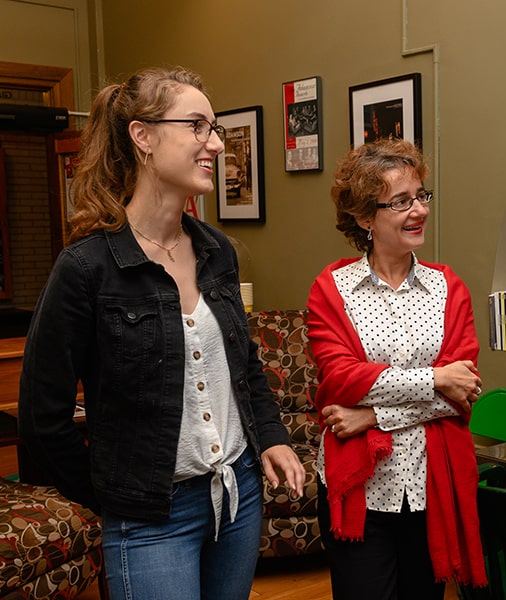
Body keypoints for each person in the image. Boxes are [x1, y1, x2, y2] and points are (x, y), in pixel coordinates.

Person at [17, 66, 306, 600]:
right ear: (143, 136)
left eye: (214, 129)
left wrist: (272, 439)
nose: (215, 144)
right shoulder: (86, 268)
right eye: (197, 126)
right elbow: (41, 418)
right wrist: (112, 494)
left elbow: (243, 369)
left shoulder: (215, 249)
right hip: (151, 519)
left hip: (237, 496)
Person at [307, 138, 488, 600]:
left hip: (432, 484)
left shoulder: (449, 288)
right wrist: (435, 379)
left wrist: (372, 415)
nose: (419, 211)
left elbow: (462, 394)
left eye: (422, 196)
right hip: (361, 489)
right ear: (365, 218)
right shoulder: (332, 289)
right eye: (401, 201)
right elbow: (340, 379)